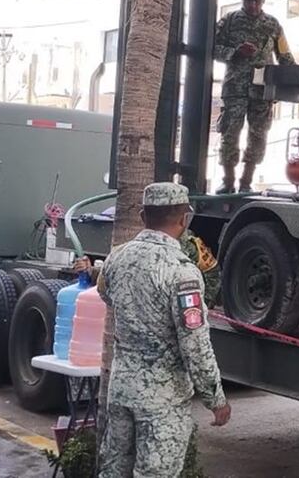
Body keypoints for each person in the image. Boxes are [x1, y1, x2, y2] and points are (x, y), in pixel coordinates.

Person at [97, 183, 230, 477]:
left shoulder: (116, 258)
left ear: (143, 216)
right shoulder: (183, 272)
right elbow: (195, 344)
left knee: (112, 471)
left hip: (121, 391)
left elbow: (105, 294)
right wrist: (215, 399)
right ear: (185, 220)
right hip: (162, 402)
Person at [213, 0, 296, 193]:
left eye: (257, 1)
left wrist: (297, 75)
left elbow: (284, 56)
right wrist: (235, 52)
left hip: (262, 91)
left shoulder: (273, 25)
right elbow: (211, 48)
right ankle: (228, 181)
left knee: (258, 136)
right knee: (230, 134)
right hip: (235, 89)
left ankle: (246, 183)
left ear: (263, 0)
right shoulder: (229, 21)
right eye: (248, 1)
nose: (252, 5)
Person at [74, 229, 220, 308]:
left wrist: (203, 304)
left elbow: (212, 272)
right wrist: (91, 272)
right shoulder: (133, 246)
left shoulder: (188, 246)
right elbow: (124, 274)